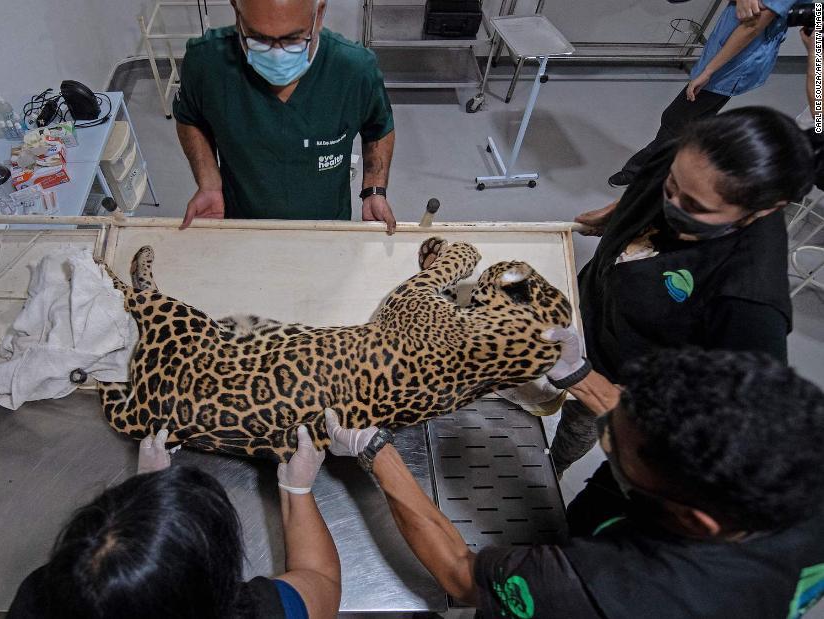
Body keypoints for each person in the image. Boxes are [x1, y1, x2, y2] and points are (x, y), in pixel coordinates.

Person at [324, 347, 824, 618]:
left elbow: (459, 575)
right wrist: (582, 375)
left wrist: (375, 451)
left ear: (693, 519)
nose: (606, 436)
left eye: (617, 450)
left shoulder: (605, 589)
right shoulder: (799, 460)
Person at [552, 106, 816, 476]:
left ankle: (556, 464)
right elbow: (654, 183)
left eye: (695, 207)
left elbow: (731, 425)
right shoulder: (688, 159)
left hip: (617, 369)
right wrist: (619, 213)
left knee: (577, 423)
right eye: (670, 187)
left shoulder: (748, 299)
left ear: (762, 210)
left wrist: (594, 388)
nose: (672, 204)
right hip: (590, 299)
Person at [7, 425, 340, 618]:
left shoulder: (37, 599)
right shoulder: (262, 612)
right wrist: (297, 488)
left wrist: (146, 497)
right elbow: (321, 579)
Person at [173, 0, 397, 233]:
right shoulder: (206, 63)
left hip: (327, 226)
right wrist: (208, 183)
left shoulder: (354, 69)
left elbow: (379, 127)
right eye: (259, 38)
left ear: (319, 14)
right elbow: (190, 118)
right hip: (241, 224)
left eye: (293, 39)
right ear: (237, 12)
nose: (276, 55)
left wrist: (374, 190)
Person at [608, 0, 802, 187]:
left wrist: (710, 71)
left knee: (677, 118)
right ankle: (676, 170)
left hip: (734, 61)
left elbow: (753, 25)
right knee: (693, 121)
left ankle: (643, 174)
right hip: (726, 50)